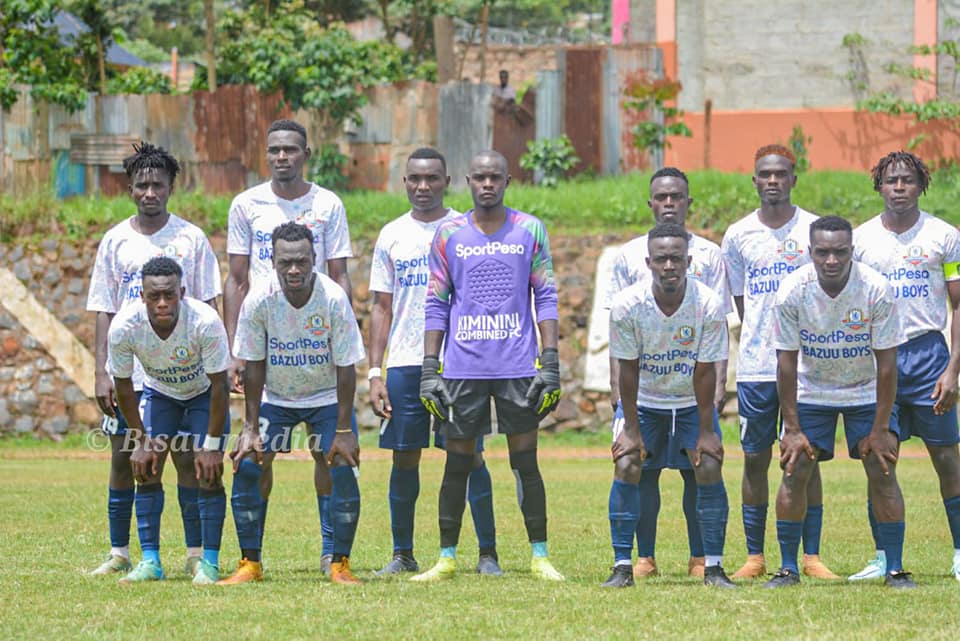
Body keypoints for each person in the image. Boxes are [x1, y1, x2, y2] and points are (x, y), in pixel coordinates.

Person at [412, 150, 563, 582]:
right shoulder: (448, 234)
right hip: (463, 369)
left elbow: (546, 296)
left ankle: (540, 556)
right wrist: (430, 368)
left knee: (525, 463)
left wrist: (550, 361)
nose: (487, 184)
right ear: (467, 181)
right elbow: (436, 302)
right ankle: (446, 558)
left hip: (518, 367)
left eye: (495, 177)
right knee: (457, 464)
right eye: (479, 177)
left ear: (508, 181)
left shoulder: (530, 229)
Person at [86, 142, 222, 577]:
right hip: (130, 370)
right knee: (126, 455)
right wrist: (101, 372)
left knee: (185, 458)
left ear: (170, 188)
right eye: (142, 185)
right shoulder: (115, 240)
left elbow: (209, 302)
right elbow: (104, 308)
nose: (150, 192)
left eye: (158, 185)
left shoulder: (190, 238)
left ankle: (195, 553)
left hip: (182, 371)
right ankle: (120, 552)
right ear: (129, 189)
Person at [223, 118, 353, 574]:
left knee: (328, 454)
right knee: (255, 454)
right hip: (266, 344)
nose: (282, 157)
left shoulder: (328, 204)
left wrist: (338, 330)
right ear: (267, 155)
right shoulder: (246, 204)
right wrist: (236, 350)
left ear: (305, 154)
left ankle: (332, 555)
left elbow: (339, 275)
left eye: (291, 149)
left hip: (315, 344)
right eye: (274, 149)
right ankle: (250, 558)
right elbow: (237, 279)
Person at [368, 148, 499, 576]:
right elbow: (381, 307)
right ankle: (403, 554)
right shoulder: (391, 235)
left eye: (432, 179)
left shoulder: (467, 229)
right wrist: (375, 372)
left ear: (447, 182)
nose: (423, 186)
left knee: (469, 457)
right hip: (405, 363)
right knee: (404, 456)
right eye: (415, 179)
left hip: (458, 363)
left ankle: (487, 554)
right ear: (404, 182)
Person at [766, 216, 914, 588]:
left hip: (865, 390)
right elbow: (786, 363)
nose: (831, 260)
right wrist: (792, 428)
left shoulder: (876, 289)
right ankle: (788, 568)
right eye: (823, 252)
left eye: (840, 252)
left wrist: (881, 428)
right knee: (794, 468)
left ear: (852, 251)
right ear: (810, 252)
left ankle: (895, 569)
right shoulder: (792, 291)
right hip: (812, 391)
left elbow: (887, 365)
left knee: (882, 467)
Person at [219, 222, 366, 585]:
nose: (294, 269)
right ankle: (250, 563)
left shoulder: (333, 298)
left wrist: (344, 430)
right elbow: (254, 365)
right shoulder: (259, 299)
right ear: (273, 261)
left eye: (302, 261)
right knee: (248, 462)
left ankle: (338, 562)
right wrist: (250, 427)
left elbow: (346, 367)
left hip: (326, 396)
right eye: (285, 262)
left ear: (315, 257)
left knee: (342, 464)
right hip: (277, 397)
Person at [604, 166, 729, 579]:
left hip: (691, 398)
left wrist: (709, 421)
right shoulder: (628, 298)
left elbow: (708, 364)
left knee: (706, 464)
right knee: (632, 464)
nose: (669, 265)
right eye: (661, 259)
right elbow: (625, 362)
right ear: (649, 263)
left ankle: (709, 564)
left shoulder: (708, 294)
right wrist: (626, 418)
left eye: (677, 259)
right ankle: (630, 562)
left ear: (690, 261)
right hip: (645, 397)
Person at [720, 144, 837, 580]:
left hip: (807, 368)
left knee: (806, 458)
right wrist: (764, 336)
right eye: (765, 174)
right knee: (754, 459)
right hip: (756, 367)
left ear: (793, 179)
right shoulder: (738, 235)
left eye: (781, 173)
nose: (773, 180)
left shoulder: (812, 230)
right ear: (755, 181)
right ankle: (755, 556)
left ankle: (811, 556)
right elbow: (741, 300)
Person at [850, 151, 960, 582]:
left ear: (921, 186)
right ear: (879, 185)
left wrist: (953, 370)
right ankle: (884, 558)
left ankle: (959, 552)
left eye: (908, 180)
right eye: (891, 180)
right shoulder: (859, 240)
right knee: (878, 458)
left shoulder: (944, 236)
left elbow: (958, 304)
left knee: (947, 458)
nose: (899, 187)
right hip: (878, 359)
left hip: (928, 356)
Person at [108, 257, 231, 585]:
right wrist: (140, 440)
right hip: (160, 395)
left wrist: (212, 446)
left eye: (169, 295)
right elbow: (123, 386)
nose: (162, 303)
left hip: (204, 394)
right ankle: (151, 562)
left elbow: (221, 386)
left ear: (182, 293)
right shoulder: (124, 327)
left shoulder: (205, 321)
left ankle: (208, 562)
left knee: (207, 471)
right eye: (154, 296)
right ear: (142, 297)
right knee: (146, 467)